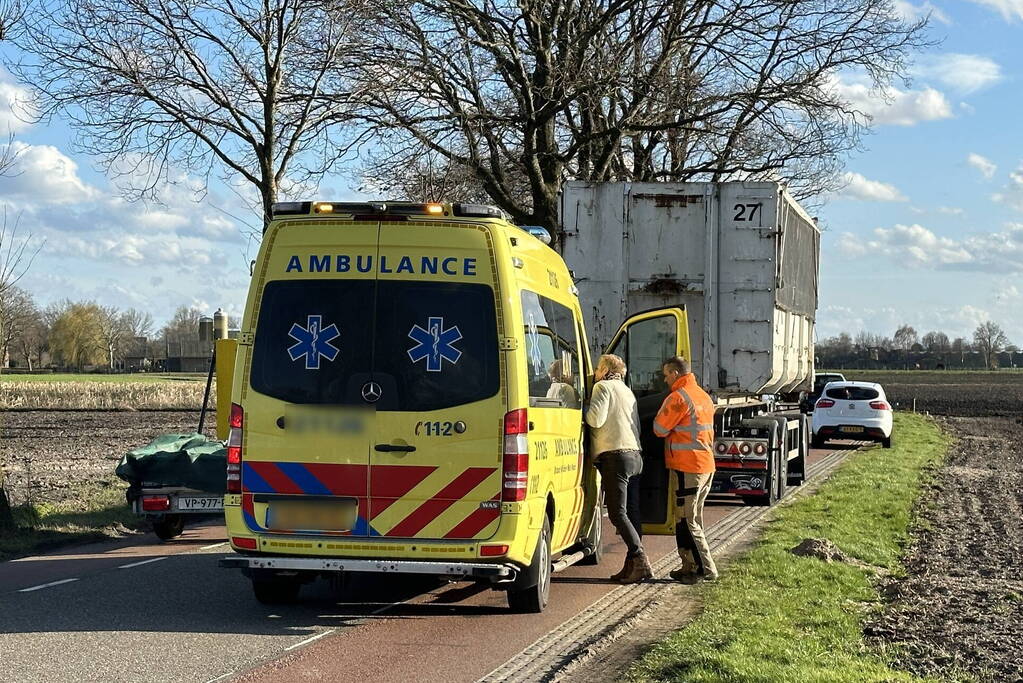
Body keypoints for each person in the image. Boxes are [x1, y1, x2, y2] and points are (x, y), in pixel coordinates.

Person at [586, 353, 651, 584]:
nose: (594, 372)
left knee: (616, 513)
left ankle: (639, 558)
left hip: (615, 456)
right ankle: (631, 566)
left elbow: (595, 419)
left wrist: (581, 408)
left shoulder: (603, 387)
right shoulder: (626, 390)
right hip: (635, 455)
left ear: (604, 369)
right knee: (632, 512)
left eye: (597, 368)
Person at [653, 356, 718, 583]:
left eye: (666, 374)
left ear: (675, 374)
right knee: (691, 520)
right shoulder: (703, 396)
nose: (664, 379)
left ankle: (705, 569)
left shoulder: (678, 398)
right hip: (704, 465)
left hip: (686, 468)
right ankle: (688, 566)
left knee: (687, 521)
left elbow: (659, 429)